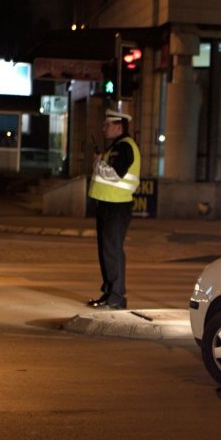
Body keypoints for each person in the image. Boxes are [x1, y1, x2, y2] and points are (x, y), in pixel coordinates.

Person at [87, 109, 141, 311]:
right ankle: (109, 293)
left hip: (116, 206)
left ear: (118, 127)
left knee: (112, 252)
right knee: (106, 251)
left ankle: (116, 297)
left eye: (107, 124)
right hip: (108, 204)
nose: (104, 128)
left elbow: (115, 174)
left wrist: (98, 162)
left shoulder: (125, 147)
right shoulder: (116, 147)